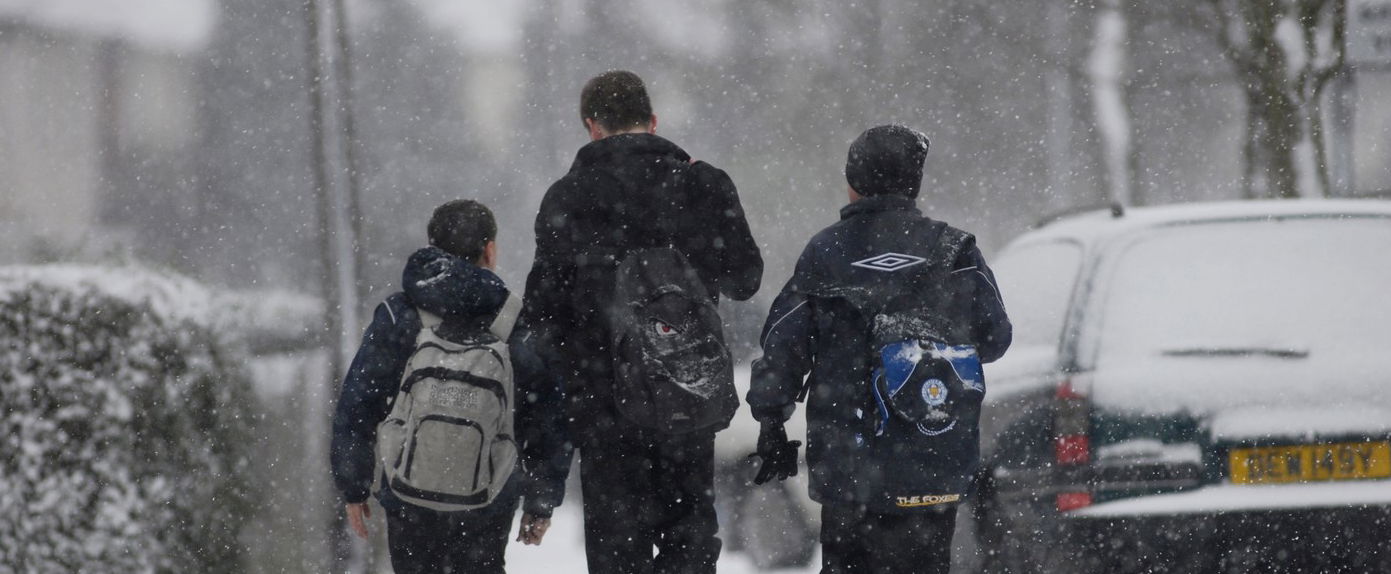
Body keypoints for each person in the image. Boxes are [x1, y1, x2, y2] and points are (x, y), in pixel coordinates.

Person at [524, 70, 763, 574]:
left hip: (604, 404)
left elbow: (543, 313)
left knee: (616, 547)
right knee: (689, 538)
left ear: (592, 127)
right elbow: (746, 280)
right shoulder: (702, 183)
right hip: (685, 394)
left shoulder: (567, 197)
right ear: (653, 121)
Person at [746, 125, 1012, 574]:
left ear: (853, 183)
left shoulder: (825, 252)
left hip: (848, 468)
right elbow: (995, 337)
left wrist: (771, 420)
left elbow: (784, 346)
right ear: (915, 182)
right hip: (932, 455)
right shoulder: (955, 250)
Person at [330, 199, 562, 574]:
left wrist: (353, 485)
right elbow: (545, 416)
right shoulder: (513, 320)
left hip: (409, 494)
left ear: (432, 248)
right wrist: (541, 499)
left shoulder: (399, 314)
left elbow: (359, 403)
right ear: (490, 251)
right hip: (487, 497)